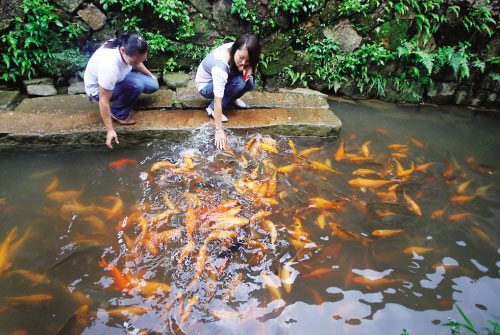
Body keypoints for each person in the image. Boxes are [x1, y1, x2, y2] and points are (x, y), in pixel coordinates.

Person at [84, 32, 159, 149]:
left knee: (153, 84)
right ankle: (118, 113)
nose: (137, 64)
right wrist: (110, 130)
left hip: (119, 78)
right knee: (136, 85)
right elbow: (103, 100)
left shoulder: (127, 47)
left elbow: (137, 62)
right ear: (123, 51)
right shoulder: (109, 66)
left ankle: (127, 96)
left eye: (140, 60)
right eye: (134, 62)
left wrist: (150, 75)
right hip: (98, 90)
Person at [195, 34, 261, 150]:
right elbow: (218, 99)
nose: (244, 62)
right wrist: (219, 130)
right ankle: (212, 109)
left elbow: (247, 71)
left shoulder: (240, 51)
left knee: (250, 82)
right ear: (235, 49)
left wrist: (243, 67)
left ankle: (232, 97)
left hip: (224, 77)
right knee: (239, 83)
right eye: (241, 57)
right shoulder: (220, 67)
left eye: (248, 60)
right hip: (206, 86)